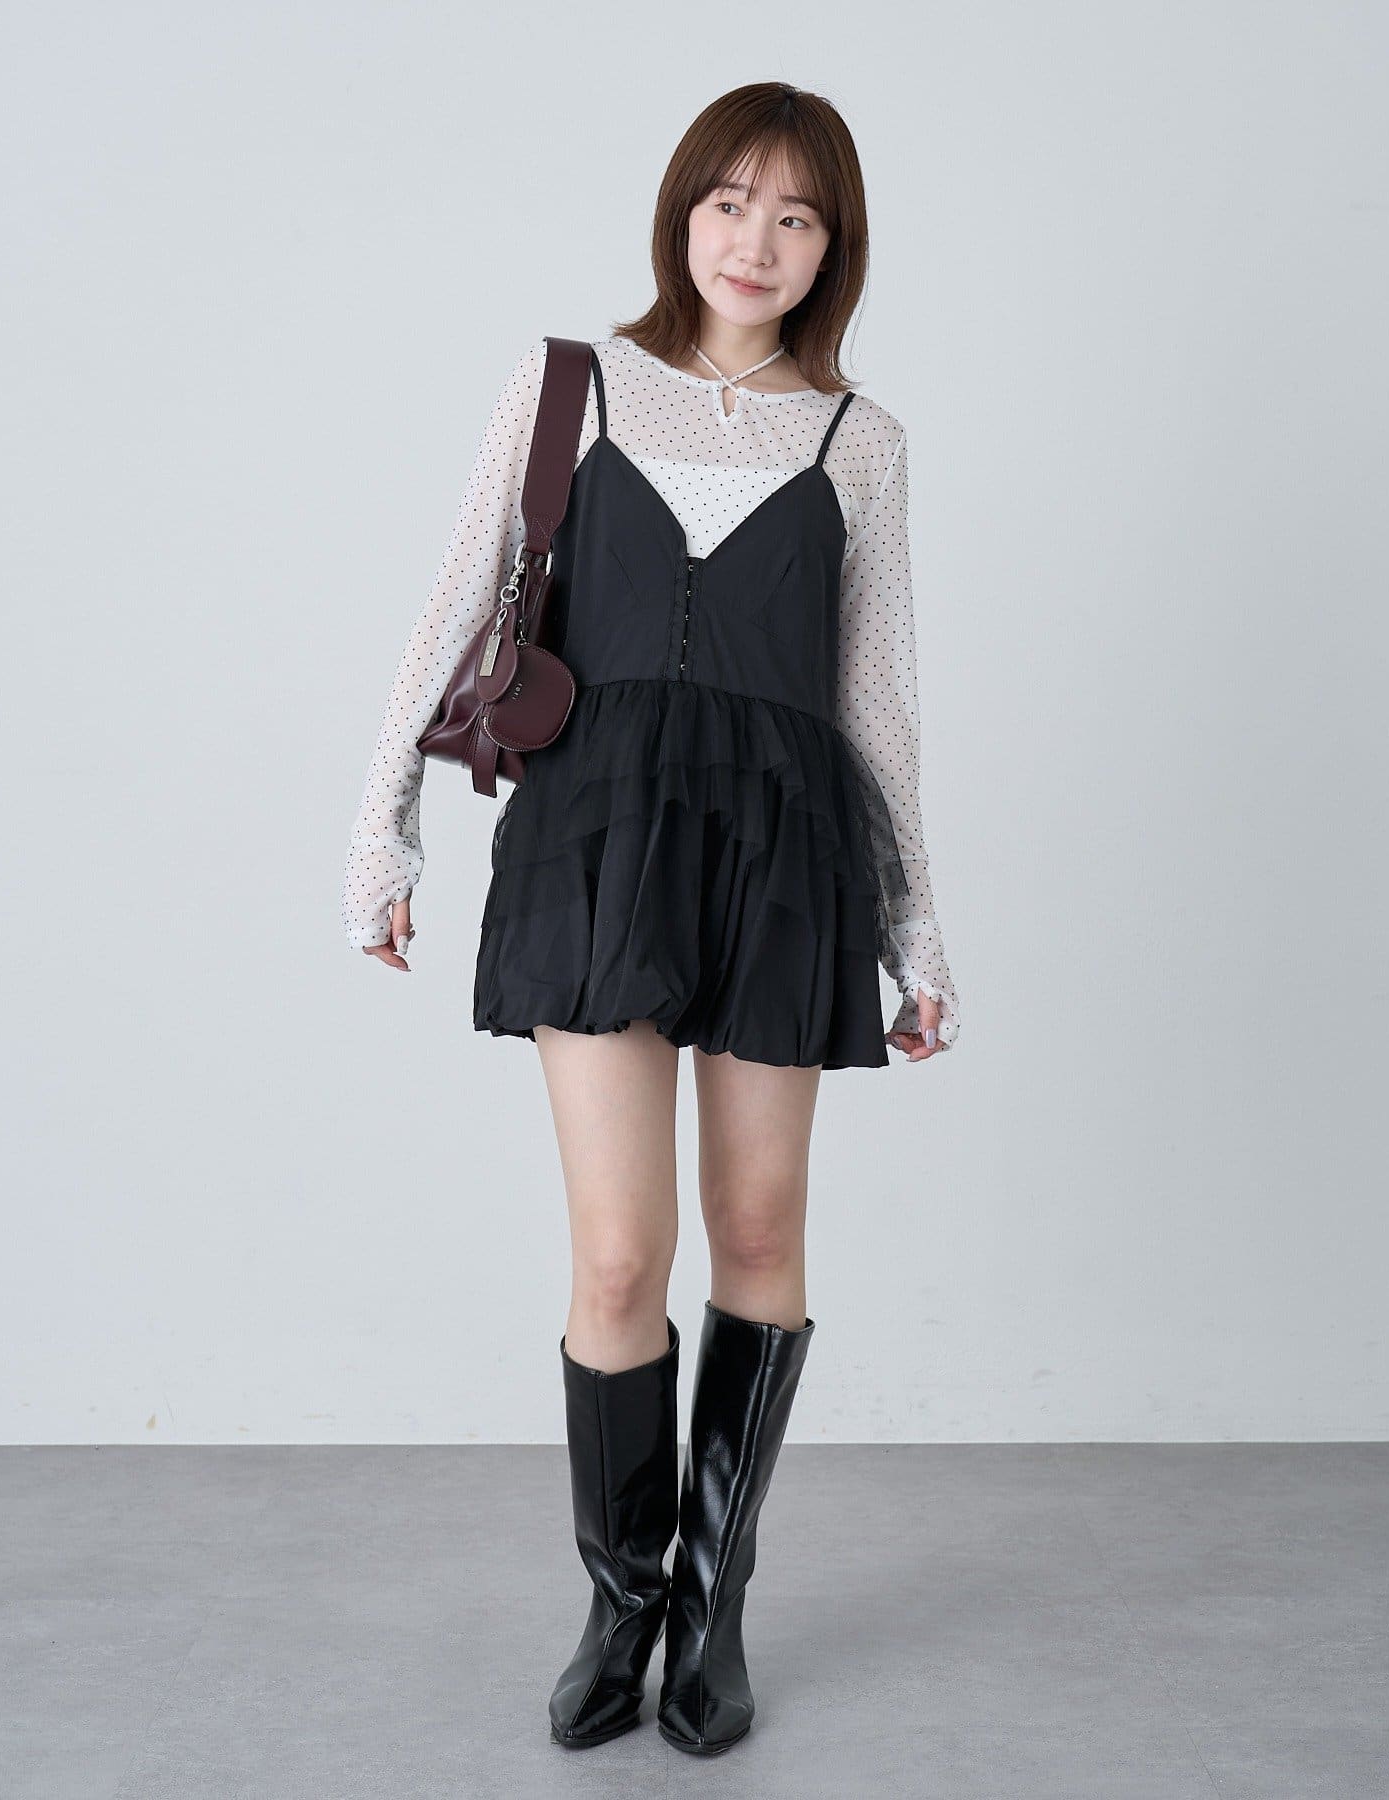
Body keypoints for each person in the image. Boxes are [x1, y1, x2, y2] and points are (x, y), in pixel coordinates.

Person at [341, 81, 961, 1754]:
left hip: (785, 858)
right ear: (683, 212)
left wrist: (918, 926)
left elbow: (879, 701)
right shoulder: (574, 388)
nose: (756, 241)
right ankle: (621, 1603)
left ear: (834, 249)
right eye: (730, 202)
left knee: (758, 1234)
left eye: (797, 216)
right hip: (596, 842)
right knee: (619, 1252)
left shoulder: (863, 441)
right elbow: (452, 605)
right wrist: (380, 828)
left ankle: (715, 1603)